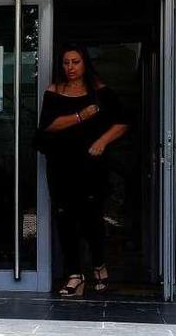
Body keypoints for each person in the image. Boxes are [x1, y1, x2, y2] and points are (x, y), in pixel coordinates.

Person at [35, 44, 128, 297]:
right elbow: (47, 127)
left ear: (85, 63)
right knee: (65, 219)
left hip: (91, 165)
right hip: (61, 164)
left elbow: (122, 122)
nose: (70, 68)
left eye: (75, 62)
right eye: (66, 62)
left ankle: (99, 265)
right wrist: (80, 116)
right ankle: (74, 275)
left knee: (91, 217)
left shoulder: (100, 91)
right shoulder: (54, 91)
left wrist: (102, 141)